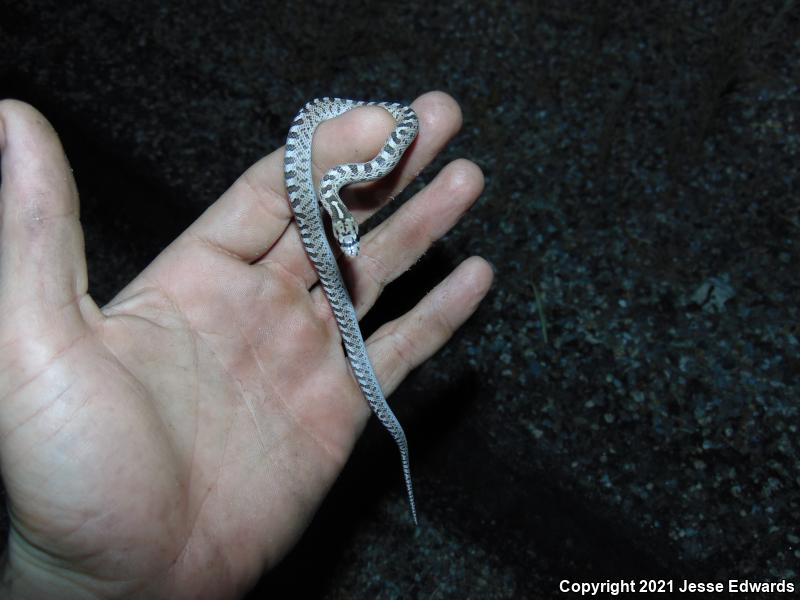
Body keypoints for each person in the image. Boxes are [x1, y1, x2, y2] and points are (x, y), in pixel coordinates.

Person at [0, 91, 492, 598]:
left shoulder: (336, 189)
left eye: (343, 242)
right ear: (339, 216)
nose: (346, 252)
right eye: (345, 240)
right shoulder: (329, 193)